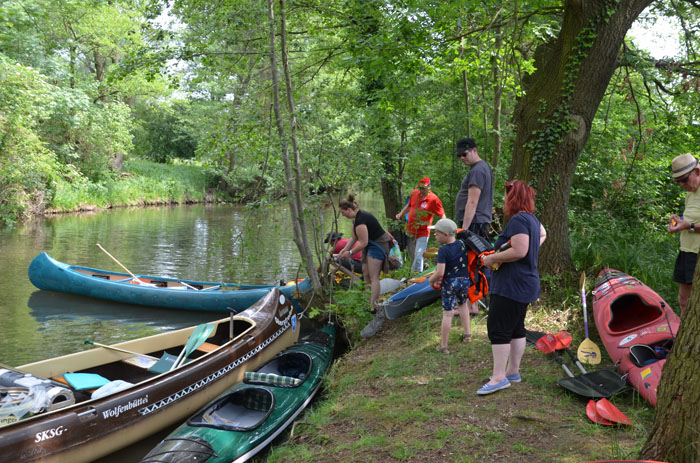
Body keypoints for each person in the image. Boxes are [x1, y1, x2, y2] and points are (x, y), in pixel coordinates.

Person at [478, 180, 546, 395]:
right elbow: (542, 235)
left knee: (498, 329)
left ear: (514, 198)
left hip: (511, 285)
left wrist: (493, 259)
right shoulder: (532, 220)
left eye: (507, 195)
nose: (504, 199)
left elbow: (519, 251)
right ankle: (513, 372)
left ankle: (499, 378)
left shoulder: (517, 220)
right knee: (516, 327)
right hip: (526, 283)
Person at [334, 194, 394, 338]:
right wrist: (344, 250)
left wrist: (349, 252)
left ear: (348, 209)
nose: (343, 215)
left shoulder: (361, 220)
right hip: (369, 244)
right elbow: (354, 238)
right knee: (365, 273)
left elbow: (363, 243)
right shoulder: (355, 219)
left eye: (343, 213)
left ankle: (373, 306)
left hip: (377, 245)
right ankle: (369, 300)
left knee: (373, 276)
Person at [454, 137, 493, 315]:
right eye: (459, 155)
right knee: (473, 263)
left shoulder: (478, 170)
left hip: (474, 223)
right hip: (476, 223)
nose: (462, 158)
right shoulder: (478, 169)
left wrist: (464, 229)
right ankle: (473, 304)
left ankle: (472, 305)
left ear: (474, 150)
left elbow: (472, 201)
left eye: (465, 154)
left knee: (471, 263)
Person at [427, 218, 471, 354]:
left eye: (437, 234)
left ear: (446, 235)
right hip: (464, 281)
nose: (435, 235)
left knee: (447, 313)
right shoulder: (463, 244)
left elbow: (440, 272)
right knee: (463, 305)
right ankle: (467, 335)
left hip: (450, 283)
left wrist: (430, 280)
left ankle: (444, 346)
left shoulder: (443, 251)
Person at [668, 153, 700, 317]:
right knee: (683, 300)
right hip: (686, 251)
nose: (681, 184)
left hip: (697, 254)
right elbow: (691, 219)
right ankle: (683, 339)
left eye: (684, 180)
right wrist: (678, 220)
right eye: (678, 181)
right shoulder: (691, 192)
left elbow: (692, 224)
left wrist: (689, 225)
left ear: (697, 171)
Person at [395, 177, 446, 272]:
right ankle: (423, 267)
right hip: (410, 230)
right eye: (420, 188)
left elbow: (441, 214)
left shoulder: (434, 199)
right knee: (412, 256)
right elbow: (409, 205)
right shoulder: (414, 193)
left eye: (424, 188)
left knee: (418, 256)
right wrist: (401, 214)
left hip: (423, 232)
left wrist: (444, 227)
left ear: (429, 187)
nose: (421, 190)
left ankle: (416, 279)